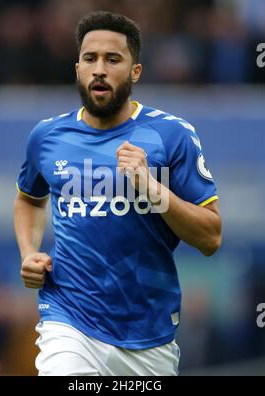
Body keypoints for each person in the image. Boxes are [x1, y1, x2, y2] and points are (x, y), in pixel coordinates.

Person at [13, 10, 222, 376]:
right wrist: (29, 253)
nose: (99, 69)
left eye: (113, 59)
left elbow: (210, 237)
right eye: (90, 59)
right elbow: (29, 199)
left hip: (148, 334)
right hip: (68, 320)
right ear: (77, 68)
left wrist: (152, 189)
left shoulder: (171, 136)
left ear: (135, 71)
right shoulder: (47, 137)